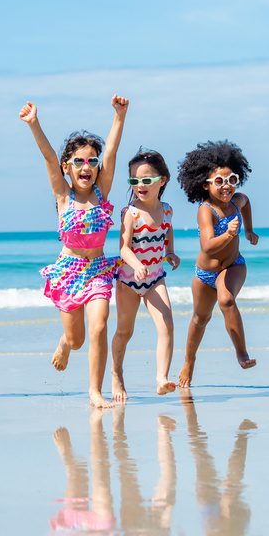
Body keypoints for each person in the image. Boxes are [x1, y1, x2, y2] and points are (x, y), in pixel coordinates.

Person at [19, 95, 128, 409]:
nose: (86, 166)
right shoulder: (63, 194)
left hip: (97, 271)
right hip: (68, 271)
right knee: (78, 339)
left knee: (100, 324)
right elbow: (48, 156)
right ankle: (65, 342)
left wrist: (119, 117)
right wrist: (34, 123)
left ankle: (95, 391)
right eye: (78, 161)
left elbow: (113, 151)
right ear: (67, 168)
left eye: (91, 161)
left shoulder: (101, 192)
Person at [175, 141, 259, 388]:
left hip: (233, 265)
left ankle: (241, 353)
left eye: (231, 180)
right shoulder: (206, 210)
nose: (227, 186)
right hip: (204, 273)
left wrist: (250, 230)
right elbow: (208, 246)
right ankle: (189, 361)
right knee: (200, 319)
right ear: (205, 184)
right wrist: (230, 234)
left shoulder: (237, 201)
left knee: (226, 299)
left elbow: (247, 203)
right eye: (219, 181)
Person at [110, 148, 180, 402]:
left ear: (162, 181)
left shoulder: (168, 210)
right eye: (134, 180)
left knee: (167, 326)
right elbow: (124, 247)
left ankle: (161, 378)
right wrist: (136, 264)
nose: (140, 185)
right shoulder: (131, 213)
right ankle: (116, 373)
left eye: (146, 180)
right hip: (129, 280)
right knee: (124, 332)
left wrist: (170, 251)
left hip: (154, 279)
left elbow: (167, 231)